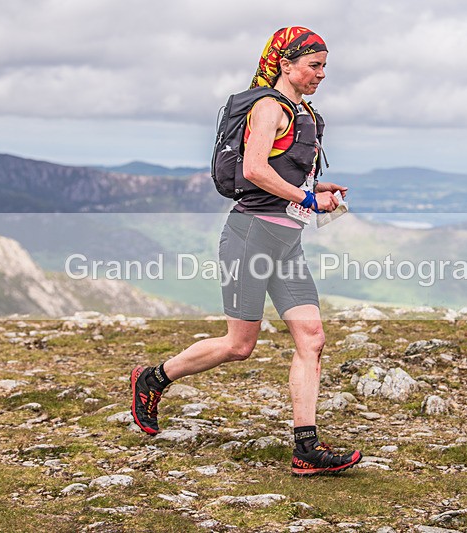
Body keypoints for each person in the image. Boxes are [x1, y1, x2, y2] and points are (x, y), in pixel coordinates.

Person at [131, 26, 361, 476]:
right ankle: (153, 378)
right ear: (286, 64)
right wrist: (309, 200)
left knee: (312, 340)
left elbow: (280, 172)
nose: (321, 74)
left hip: (285, 243)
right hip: (250, 237)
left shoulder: (302, 111)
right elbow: (254, 170)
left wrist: (314, 186)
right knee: (239, 346)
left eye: (324, 66)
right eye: (314, 65)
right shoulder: (268, 107)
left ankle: (305, 449)